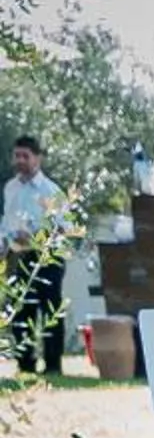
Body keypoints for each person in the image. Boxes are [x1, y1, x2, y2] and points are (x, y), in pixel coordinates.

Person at [4, 134, 70, 376]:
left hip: (47, 256)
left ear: (37, 159)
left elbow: (62, 227)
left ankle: (53, 364)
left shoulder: (50, 191)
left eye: (25, 156)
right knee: (21, 309)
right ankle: (25, 363)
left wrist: (34, 236)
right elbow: (7, 219)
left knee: (49, 308)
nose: (20, 160)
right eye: (17, 155)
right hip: (19, 256)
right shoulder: (10, 188)